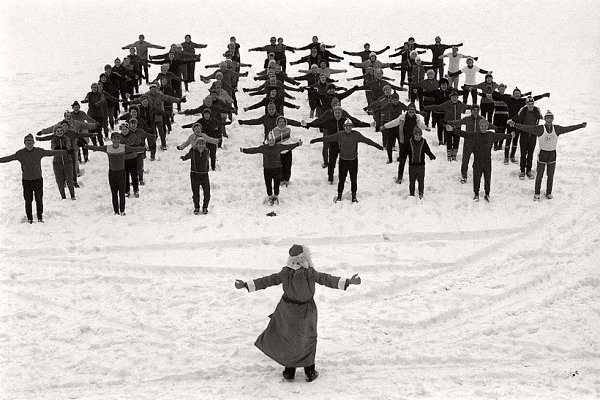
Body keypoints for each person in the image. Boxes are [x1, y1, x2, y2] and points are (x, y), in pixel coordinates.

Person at [234, 244, 361, 382]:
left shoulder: (286, 272)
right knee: (307, 339)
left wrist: (246, 284)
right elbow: (326, 279)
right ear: (306, 258)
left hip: (287, 310)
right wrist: (348, 281)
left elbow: (268, 280)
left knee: (288, 338)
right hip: (306, 311)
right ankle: (309, 371)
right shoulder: (309, 272)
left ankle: (289, 371)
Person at [507, 111, 586, 200]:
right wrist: (514, 125)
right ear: (544, 119)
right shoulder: (540, 129)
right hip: (542, 154)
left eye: (550, 118)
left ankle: (549, 193)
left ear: (553, 119)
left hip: (552, 155)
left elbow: (568, 128)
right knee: (539, 175)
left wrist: (580, 126)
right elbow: (527, 128)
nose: (549, 120)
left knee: (550, 175)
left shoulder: (557, 128)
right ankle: (537, 193)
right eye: (547, 118)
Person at [310, 120, 383, 203]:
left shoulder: (356, 135)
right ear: (344, 127)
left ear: (352, 127)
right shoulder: (340, 134)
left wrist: (378, 146)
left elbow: (367, 141)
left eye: (350, 126)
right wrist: (315, 140)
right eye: (346, 126)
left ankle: (354, 196)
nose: (348, 128)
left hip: (353, 160)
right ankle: (339, 195)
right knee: (342, 179)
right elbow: (328, 138)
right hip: (343, 160)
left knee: (353, 179)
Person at [0, 134, 67, 223]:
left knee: (39, 199)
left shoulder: (39, 151)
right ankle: (30, 218)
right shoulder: (20, 153)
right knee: (28, 200)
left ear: (33, 143)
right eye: (27, 143)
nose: (29, 145)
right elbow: (9, 158)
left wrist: (65, 152)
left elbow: (51, 152)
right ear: (24, 144)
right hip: (26, 181)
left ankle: (40, 217)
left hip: (38, 180)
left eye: (31, 143)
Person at [446, 119, 512, 201]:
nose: (483, 127)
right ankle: (476, 193)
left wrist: (510, 135)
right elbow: (464, 134)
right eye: (482, 126)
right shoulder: (475, 135)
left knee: (487, 178)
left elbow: (502, 136)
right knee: (476, 178)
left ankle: (487, 193)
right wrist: (453, 129)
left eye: (485, 126)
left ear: (487, 127)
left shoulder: (491, 135)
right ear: (479, 127)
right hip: (477, 161)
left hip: (487, 161)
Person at [86, 132, 145, 215]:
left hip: (121, 173)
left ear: (120, 139)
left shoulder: (123, 147)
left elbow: (134, 149)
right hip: (112, 173)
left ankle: (122, 210)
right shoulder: (108, 148)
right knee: (114, 193)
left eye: (118, 138)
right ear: (111, 139)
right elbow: (97, 148)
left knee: (122, 193)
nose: (116, 140)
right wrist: (86, 146)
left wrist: (144, 148)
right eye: (114, 138)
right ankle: (116, 211)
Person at [240, 132, 302, 205]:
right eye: (270, 140)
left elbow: (288, 147)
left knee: (276, 185)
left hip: (277, 169)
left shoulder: (278, 146)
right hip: (267, 170)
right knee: (268, 184)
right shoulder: (264, 148)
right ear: (267, 141)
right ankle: (270, 197)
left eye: (273, 140)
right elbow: (254, 150)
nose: (271, 142)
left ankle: (275, 196)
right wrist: (244, 150)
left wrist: (297, 144)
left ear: (274, 141)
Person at [381, 103, 430, 184]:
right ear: (407, 110)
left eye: (413, 110)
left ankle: (415, 176)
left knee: (414, 160)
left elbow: (420, 124)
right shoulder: (402, 118)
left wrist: (426, 128)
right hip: (404, 142)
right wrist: (385, 126)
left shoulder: (417, 118)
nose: (411, 112)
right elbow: (394, 122)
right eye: (410, 110)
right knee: (402, 160)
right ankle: (400, 177)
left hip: (413, 143)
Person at [510, 97, 543, 180]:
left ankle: (528, 170)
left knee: (530, 153)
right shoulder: (523, 110)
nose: (530, 106)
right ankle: (522, 170)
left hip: (533, 134)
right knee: (523, 153)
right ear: (526, 104)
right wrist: (511, 122)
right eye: (529, 104)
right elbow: (517, 118)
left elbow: (541, 118)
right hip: (524, 134)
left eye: (532, 104)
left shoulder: (536, 110)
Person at [180, 137, 212, 215]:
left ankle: (205, 207)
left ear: (204, 145)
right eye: (199, 144)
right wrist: (184, 158)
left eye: (202, 144)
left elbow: (208, 160)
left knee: (207, 193)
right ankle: (196, 207)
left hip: (204, 175)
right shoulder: (193, 151)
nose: (201, 146)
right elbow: (188, 156)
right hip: (194, 175)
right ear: (196, 145)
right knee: (195, 194)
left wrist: (207, 168)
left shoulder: (207, 151)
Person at [407, 127, 436, 198]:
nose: (418, 137)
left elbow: (427, 150)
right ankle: (411, 193)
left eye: (420, 135)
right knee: (412, 180)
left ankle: (421, 193)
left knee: (421, 180)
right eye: (416, 135)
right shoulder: (410, 142)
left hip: (421, 165)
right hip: (412, 165)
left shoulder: (423, 142)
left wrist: (431, 155)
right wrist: (401, 157)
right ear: (414, 135)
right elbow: (405, 151)